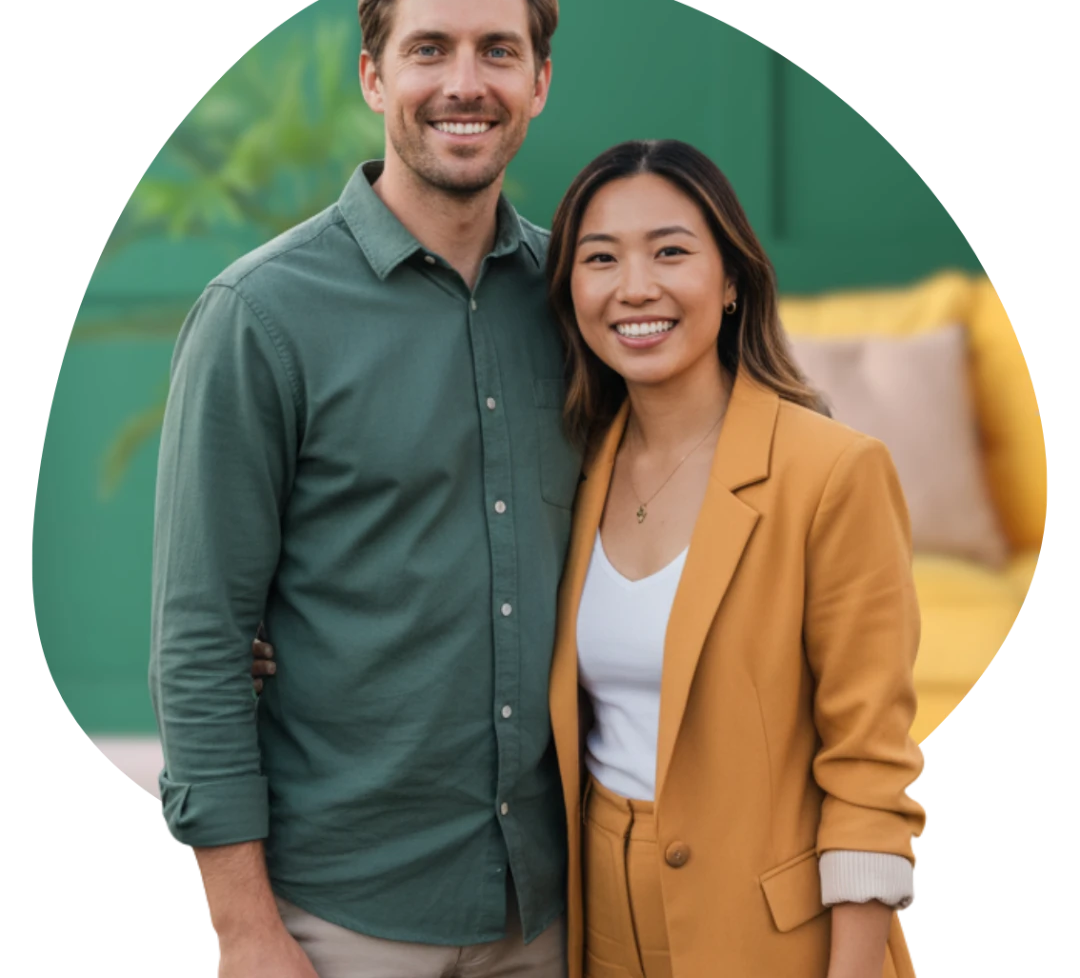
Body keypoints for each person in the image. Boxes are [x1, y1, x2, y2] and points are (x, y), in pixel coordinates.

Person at [253, 142, 927, 977]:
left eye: (671, 252)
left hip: (771, 936)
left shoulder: (831, 472)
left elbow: (869, 761)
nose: (634, 287)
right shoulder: (576, 464)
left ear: (731, 281)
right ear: (569, 292)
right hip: (595, 924)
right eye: (599, 258)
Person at [151, 0, 577, 978]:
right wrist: (244, 928)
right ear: (375, 79)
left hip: (557, 902)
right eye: (429, 49)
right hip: (344, 915)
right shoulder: (260, 315)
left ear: (539, 82)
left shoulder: (582, 301)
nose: (463, 83)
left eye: (498, 51)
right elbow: (203, 640)